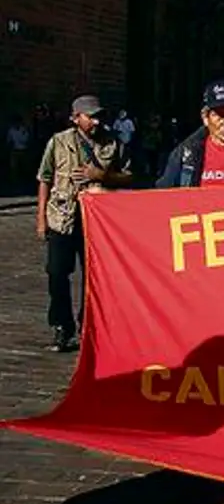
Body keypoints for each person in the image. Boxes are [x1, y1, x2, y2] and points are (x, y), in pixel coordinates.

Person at [36, 95, 132, 351]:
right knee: (57, 273)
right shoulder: (59, 142)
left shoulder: (114, 143)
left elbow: (130, 177)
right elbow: (45, 178)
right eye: (90, 116)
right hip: (63, 217)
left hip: (98, 222)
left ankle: (89, 326)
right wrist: (41, 219)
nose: (96, 122)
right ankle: (61, 326)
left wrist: (102, 175)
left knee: (94, 278)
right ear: (76, 117)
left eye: (99, 116)